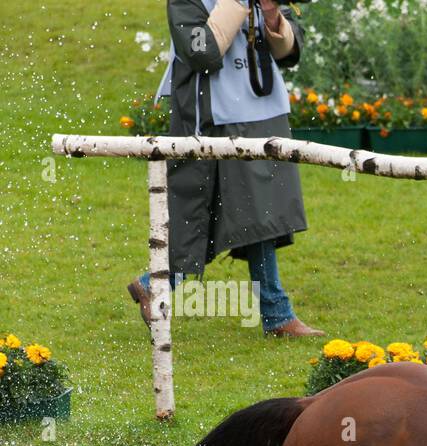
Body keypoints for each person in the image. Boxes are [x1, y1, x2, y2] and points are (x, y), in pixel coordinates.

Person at [127, 0, 322, 337]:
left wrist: (272, 14)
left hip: (262, 113)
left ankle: (275, 313)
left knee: (264, 215)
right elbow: (199, 50)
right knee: (201, 217)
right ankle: (155, 285)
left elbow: (290, 52)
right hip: (212, 120)